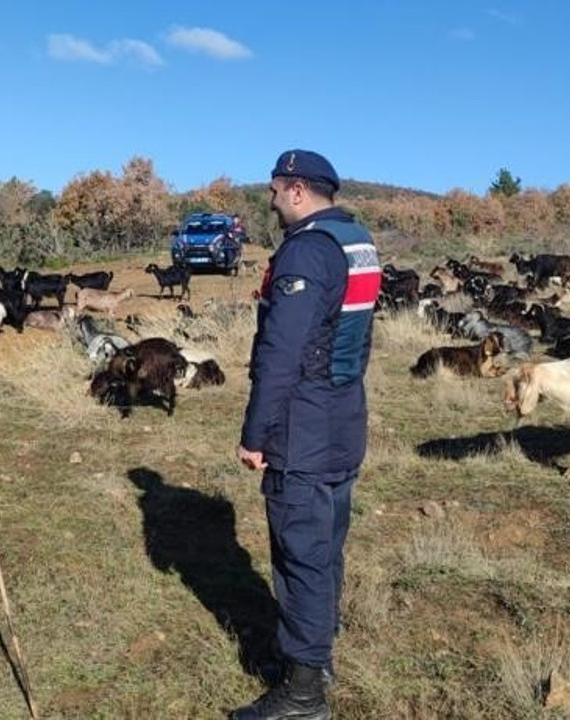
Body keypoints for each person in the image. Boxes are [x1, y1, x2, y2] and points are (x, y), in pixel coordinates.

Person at [234, 150, 381, 720]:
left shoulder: (308, 249)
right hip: (345, 415)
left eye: (273, 191)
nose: (269, 202)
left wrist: (255, 433)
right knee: (326, 546)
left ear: (296, 190)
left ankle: (302, 692)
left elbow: (281, 353)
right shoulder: (356, 239)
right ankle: (316, 658)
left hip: (304, 426)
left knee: (302, 555)